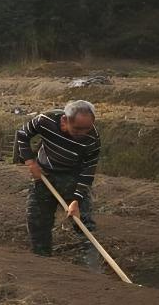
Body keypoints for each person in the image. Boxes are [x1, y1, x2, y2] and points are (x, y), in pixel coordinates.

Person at [16, 100, 101, 258]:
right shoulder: (45, 121)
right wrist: (30, 162)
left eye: (87, 128)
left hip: (73, 177)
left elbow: (88, 171)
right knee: (37, 220)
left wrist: (76, 199)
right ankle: (42, 259)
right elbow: (22, 134)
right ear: (64, 120)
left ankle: (91, 264)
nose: (83, 133)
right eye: (77, 129)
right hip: (45, 175)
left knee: (83, 222)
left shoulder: (93, 139)